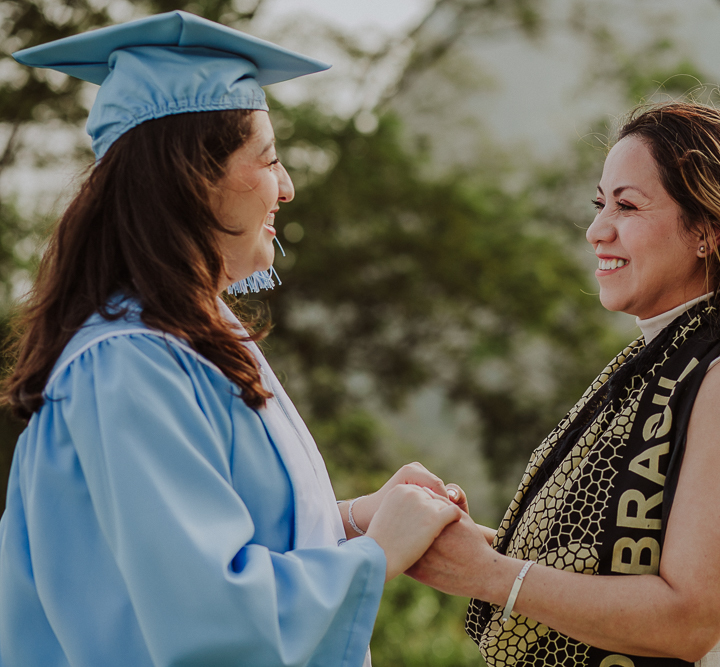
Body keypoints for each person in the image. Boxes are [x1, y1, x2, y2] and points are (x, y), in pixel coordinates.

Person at [0, 12, 464, 667]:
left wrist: (359, 518)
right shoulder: (127, 362)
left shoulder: (192, 339)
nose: (288, 187)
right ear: (194, 180)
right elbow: (207, 612)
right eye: (270, 159)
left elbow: (222, 534)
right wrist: (378, 552)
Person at [407, 102, 720, 667]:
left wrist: (489, 575)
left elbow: (688, 620)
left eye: (627, 206)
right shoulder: (662, 362)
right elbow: (601, 566)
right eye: (600, 203)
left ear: (707, 231)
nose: (597, 230)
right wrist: (463, 544)